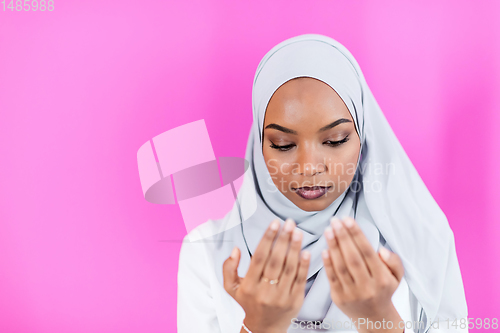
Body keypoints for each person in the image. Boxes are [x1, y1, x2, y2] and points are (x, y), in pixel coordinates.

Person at [177, 34, 468, 333]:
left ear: (363, 136)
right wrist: (258, 327)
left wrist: (381, 320)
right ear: (258, 145)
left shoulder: (418, 242)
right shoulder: (207, 252)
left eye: (334, 140)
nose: (309, 167)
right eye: (282, 144)